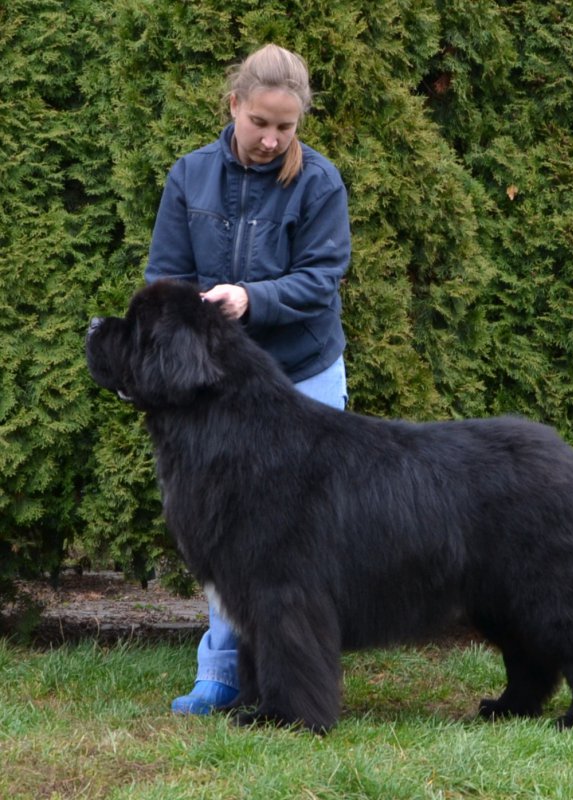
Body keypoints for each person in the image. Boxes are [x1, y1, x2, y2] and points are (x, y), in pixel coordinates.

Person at [144, 43, 352, 715]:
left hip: (304, 375)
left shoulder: (318, 183)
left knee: (302, 544)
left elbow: (321, 279)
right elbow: (166, 278)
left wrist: (251, 298)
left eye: (285, 127)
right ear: (234, 104)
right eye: (260, 121)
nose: (270, 138)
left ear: (300, 123)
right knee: (224, 526)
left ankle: (296, 679)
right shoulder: (189, 176)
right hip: (220, 390)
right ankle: (221, 672)